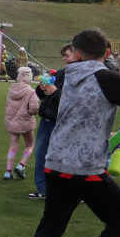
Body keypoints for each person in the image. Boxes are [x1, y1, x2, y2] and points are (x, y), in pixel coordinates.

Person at [0, 28, 120, 237]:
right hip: (85, 168)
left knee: (50, 228)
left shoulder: (65, 76)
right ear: (106, 54)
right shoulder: (105, 77)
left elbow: (48, 109)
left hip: (56, 165)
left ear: (76, 53)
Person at [28, 44, 76, 200]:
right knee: (42, 155)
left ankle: (73, 191)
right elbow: (45, 95)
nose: (64, 58)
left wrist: (55, 92)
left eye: (67, 55)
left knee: (64, 158)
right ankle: (43, 190)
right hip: (47, 121)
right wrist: (41, 89)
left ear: (78, 55)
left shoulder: (79, 76)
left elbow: (74, 103)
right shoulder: (62, 72)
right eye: (63, 55)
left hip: (62, 123)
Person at [3, 66, 39, 181]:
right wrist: (29, 112)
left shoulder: (11, 89)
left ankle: (8, 171)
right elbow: (34, 109)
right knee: (30, 145)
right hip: (25, 122)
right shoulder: (31, 91)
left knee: (12, 147)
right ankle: (21, 165)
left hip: (11, 121)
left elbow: (7, 105)